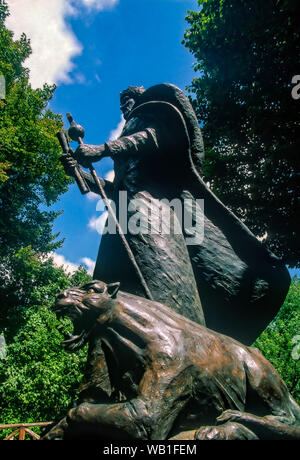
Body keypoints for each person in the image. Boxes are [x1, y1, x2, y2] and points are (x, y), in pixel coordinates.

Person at [62, 83, 290, 345]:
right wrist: (80, 175)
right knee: (114, 291)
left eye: (129, 100)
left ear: (141, 99)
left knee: (163, 294)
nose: (125, 107)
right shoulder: (127, 144)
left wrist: (102, 149)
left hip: (152, 211)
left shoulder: (152, 118)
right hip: (124, 213)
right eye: (122, 103)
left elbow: (151, 137)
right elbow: (117, 189)